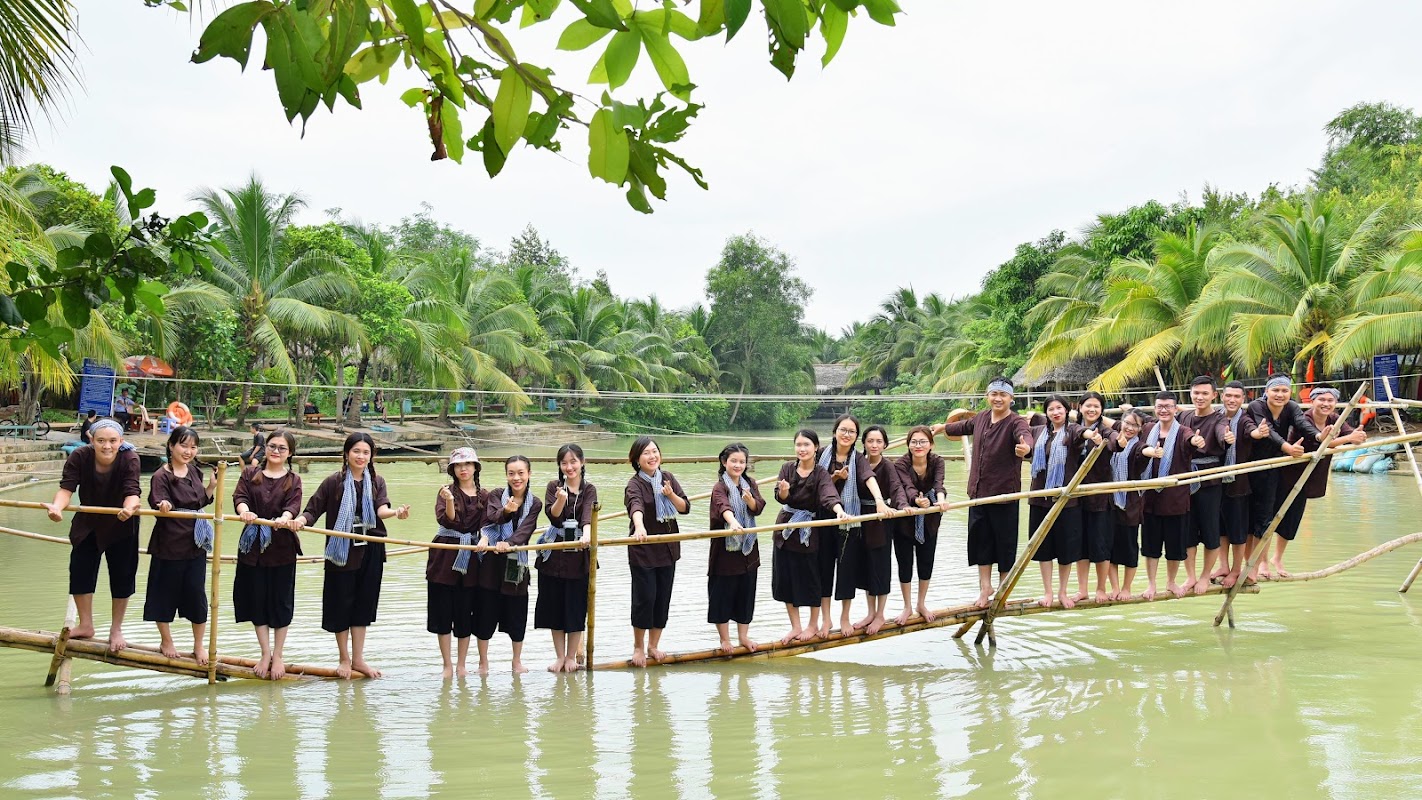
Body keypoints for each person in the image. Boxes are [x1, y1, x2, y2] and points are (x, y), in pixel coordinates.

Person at [293, 432, 411, 679]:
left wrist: (396, 512)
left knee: (363, 605)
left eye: (366, 452)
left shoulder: (377, 481)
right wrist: (300, 522)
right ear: (346, 454)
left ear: (371, 456)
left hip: (371, 548)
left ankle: (358, 659)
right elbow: (313, 509)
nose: (361, 456)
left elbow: (381, 509)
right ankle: (344, 659)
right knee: (341, 604)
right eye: (356, 451)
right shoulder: (333, 482)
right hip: (341, 550)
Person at [934, 377, 1034, 609]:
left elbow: (1025, 436)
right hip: (978, 493)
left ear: (1011, 398)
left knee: (1005, 544)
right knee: (981, 543)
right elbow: (961, 427)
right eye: (993, 394)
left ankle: (1002, 590)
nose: (998, 398)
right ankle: (984, 588)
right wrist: (941, 428)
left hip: (1003, 495)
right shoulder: (980, 418)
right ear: (987, 396)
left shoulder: (1015, 422)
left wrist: (1026, 447)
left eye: (1003, 395)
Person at [44, 418, 142, 652]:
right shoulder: (79, 456)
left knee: (122, 575)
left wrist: (129, 509)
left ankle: (116, 628)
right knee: (80, 570)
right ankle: (86, 624)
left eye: (112, 441)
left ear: (121, 441)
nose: (106, 446)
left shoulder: (130, 458)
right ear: (91, 439)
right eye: (101, 441)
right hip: (88, 522)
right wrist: (57, 507)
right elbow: (67, 488)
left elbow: (133, 491)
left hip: (122, 522)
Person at [1272, 386, 1367, 577]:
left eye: (1330, 400)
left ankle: (1277, 558)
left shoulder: (1335, 419)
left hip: (1309, 477)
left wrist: (1357, 436)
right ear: (1311, 402)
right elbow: (1323, 442)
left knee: (1292, 520)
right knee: (1272, 518)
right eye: (1321, 400)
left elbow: (1349, 435)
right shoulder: (1303, 419)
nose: (1326, 404)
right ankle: (1262, 562)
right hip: (1288, 475)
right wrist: (1349, 438)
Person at [232, 429, 303, 680]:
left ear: (290, 453)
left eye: (282, 448)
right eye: (272, 446)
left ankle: (279, 654)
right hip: (252, 548)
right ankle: (264, 653)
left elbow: (293, 505)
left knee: (281, 601)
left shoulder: (293, 479)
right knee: (257, 599)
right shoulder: (251, 473)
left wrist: (285, 518)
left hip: (282, 547)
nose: (275, 451)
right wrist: (245, 511)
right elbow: (239, 497)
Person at [144, 425, 215, 664]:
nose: (188, 451)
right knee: (163, 593)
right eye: (183, 445)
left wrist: (212, 488)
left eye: (193, 447)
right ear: (171, 446)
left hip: (196, 543)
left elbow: (200, 501)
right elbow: (158, 500)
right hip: (169, 543)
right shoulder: (161, 476)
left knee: (196, 594)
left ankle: (199, 645)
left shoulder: (195, 472)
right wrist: (163, 505)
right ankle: (166, 640)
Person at [819, 414, 894, 639]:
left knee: (847, 570)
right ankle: (826, 619)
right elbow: (818, 484)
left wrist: (880, 501)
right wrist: (834, 477)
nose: (846, 434)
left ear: (855, 437)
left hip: (850, 521)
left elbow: (868, 477)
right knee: (823, 571)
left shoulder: (858, 458)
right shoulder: (821, 454)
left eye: (851, 432)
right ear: (835, 432)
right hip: (823, 518)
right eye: (843, 430)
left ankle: (844, 617)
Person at [1025, 395, 1102, 609]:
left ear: (1067, 410)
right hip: (1040, 498)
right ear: (1047, 413)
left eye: (1059, 408)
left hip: (1066, 502)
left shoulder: (1073, 431)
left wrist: (1092, 435)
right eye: (1051, 409)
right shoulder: (1039, 432)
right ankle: (1048, 591)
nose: (1055, 412)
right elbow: (1027, 447)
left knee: (1067, 549)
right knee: (1043, 548)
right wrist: (1025, 451)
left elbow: (1083, 433)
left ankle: (1062, 592)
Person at [772, 429, 849, 644]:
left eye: (807, 445)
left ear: (816, 447)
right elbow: (780, 496)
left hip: (808, 532)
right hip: (786, 529)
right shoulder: (787, 468)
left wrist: (839, 511)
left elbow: (828, 495)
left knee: (812, 579)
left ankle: (813, 623)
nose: (802, 449)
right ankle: (795, 626)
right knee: (785, 579)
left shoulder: (821, 473)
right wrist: (785, 491)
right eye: (798, 445)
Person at [1244, 374, 1321, 581]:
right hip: (1256, 466)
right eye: (1275, 390)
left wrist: (1318, 436)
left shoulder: (1292, 407)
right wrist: (1288, 447)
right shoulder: (1256, 406)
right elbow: (1267, 431)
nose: (1280, 394)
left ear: (1290, 392)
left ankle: (1264, 561)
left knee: (1270, 515)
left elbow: (1301, 424)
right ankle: (1257, 563)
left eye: (1284, 390)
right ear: (1266, 391)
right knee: (1259, 515)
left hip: (1278, 466)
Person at [624, 436, 690, 668]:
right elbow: (636, 506)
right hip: (643, 550)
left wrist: (670, 494)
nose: (652, 456)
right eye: (646, 453)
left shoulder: (668, 478)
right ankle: (639, 647)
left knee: (662, 598)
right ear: (636, 459)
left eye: (655, 451)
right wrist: (640, 527)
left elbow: (685, 507)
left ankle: (654, 645)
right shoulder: (634, 484)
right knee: (645, 598)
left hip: (668, 549)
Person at [476, 455, 542, 674]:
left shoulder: (535, 503)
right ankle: (483, 663)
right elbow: (492, 518)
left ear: (529, 474)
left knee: (517, 615)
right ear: (506, 475)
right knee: (485, 613)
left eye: (521, 473)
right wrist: (507, 511)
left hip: (516, 562)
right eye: (511, 473)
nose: (516, 478)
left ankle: (516, 662)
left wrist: (510, 543)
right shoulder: (495, 495)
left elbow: (527, 530)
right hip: (491, 564)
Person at [536, 444, 596, 673]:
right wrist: (561, 499)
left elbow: (589, 515)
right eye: (564, 463)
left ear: (582, 462)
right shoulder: (554, 486)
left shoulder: (589, 489)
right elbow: (553, 516)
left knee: (576, 607)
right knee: (554, 607)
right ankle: (559, 657)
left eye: (573, 462)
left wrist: (587, 536)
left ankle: (572, 657)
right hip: (554, 552)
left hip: (579, 554)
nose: (569, 467)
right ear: (559, 466)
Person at [426, 447, 485, 679]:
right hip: (445, 556)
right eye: (459, 465)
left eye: (468, 464)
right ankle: (447, 664)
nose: (463, 469)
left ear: (475, 468)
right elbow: (448, 520)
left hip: (471, 556)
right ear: (452, 469)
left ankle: (462, 664)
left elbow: (490, 522)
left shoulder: (485, 495)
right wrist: (450, 501)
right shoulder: (445, 492)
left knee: (464, 613)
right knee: (442, 613)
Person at [708, 443, 766, 654]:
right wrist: (732, 522)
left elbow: (759, 507)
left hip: (748, 549)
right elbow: (723, 506)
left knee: (746, 592)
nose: (738, 465)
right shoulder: (719, 487)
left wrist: (750, 500)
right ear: (724, 462)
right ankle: (725, 639)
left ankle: (743, 636)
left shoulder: (749, 483)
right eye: (734, 461)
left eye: (742, 462)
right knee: (722, 593)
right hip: (725, 551)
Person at [1139, 391, 1197, 600]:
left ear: (1175, 409)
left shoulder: (1183, 431)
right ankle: (1151, 584)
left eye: (1168, 407)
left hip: (1175, 500)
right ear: (1155, 408)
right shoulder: (1147, 429)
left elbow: (1191, 440)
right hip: (1149, 500)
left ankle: (1171, 581)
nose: (1164, 410)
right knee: (1150, 547)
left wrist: (1196, 442)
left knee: (1175, 546)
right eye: (1160, 406)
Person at [892, 425, 951, 625]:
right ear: (908, 445)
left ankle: (921, 603)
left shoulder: (937, 461)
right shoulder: (900, 464)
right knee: (905, 563)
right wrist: (916, 501)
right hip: (905, 516)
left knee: (926, 561)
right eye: (914, 442)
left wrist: (941, 500)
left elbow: (938, 485)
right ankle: (907, 606)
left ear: (931, 444)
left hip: (931, 517)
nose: (918, 446)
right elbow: (906, 486)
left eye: (923, 441)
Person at [1176, 376, 1229, 595]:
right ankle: (1190, 576)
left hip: (1210, 482)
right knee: (1187, 531)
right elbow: (1160, 422)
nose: (1200, 397)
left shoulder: (1219, 419)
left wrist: (1226, 438)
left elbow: (1222, 433)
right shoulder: (1184, 415)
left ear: (1214, 395)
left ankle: (1205, 576)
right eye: (1196, 393)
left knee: (1210, 531)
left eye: (1205, 393)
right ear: (1191, 393)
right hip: (1185, 480)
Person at [850, 425, 903, 635]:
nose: (874, 445)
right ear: (863, 442)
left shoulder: (888, 466)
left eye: (878, 441)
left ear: (885, 445)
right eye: (870, 441)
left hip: (881, 519)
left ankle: (880, 614)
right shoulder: (857, 463)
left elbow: (897, 489)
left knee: (880, 565)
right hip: (860, 517)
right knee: (865, 566)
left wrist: (902, 506)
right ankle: (870, 612)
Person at [1075, 392, 1117, 603]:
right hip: (1075, 496)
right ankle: (1082, 589)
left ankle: (1101, 588)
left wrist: (1102, 439)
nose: (1092, 410)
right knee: (1080, 544)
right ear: (1079, 407)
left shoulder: (1106, 431)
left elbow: (1116, 442)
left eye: (1097, 407)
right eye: (1088, 406)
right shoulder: (1072, 429)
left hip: (1100, 497)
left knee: (1101, 544)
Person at [1217, 381, 1257, 588]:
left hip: (1238, 483)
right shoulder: (1216, 416)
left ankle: (1235, 569)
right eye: (1229, 396)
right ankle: (1223, 566)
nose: (1232, 400)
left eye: (1237, 397)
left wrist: (1257, 433)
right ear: (1222, 396)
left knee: (1238, 530)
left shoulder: (1245, 420)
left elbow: (1252, 431)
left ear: (1243, 399)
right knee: (1220, 528)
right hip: (1216, 482)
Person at [1105, 410, 1150, 599]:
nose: (1130, 428)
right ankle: (1114, 587)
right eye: (1127, 423)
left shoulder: (1139, 446)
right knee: (1108, 547)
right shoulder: (1113, 441)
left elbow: (1144, 452)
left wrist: (1152, 452)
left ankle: (1126, 588)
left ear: (1140, 429)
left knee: (1130, 548)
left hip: (1129, 505)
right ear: (1121, 422)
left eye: (1135, 425)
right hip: (1108, 503)